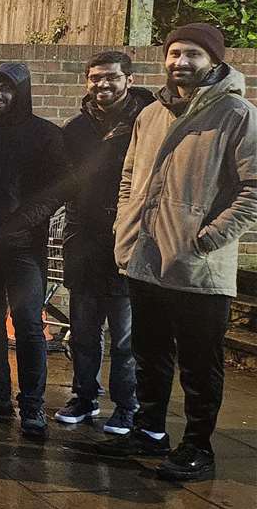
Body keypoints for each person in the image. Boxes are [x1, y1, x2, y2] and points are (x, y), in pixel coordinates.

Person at [109, 24, 257, 481]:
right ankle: (150, 431)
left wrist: (209, 236)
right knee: (149, 355)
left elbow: (253, 189)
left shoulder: (237, 114)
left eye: (192, 54)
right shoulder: (150, 113)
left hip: (198, 267)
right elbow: (130, 176)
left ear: (213, 60)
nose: (180, 62)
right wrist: (124, 224)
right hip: (145, 258)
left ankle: (198, 446)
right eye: (174, 53)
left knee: (199, 363)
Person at [0, 64, 67, 438]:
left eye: (4, 90)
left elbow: (58, 188)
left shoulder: (46, 136)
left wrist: (28, 220)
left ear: (20, 92)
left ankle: (33, 405)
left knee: (28, 323)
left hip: (24, 246)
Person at [57, 51, 154, 434]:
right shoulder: (76, 130)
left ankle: (127, 406)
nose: (103, 85)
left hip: (126, 240)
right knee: (83, 331)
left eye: (112, 78)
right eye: (96, 78)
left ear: (129, 80)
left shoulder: (145, 124)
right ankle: (84, 396)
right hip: (84, 243)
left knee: (125, 337)